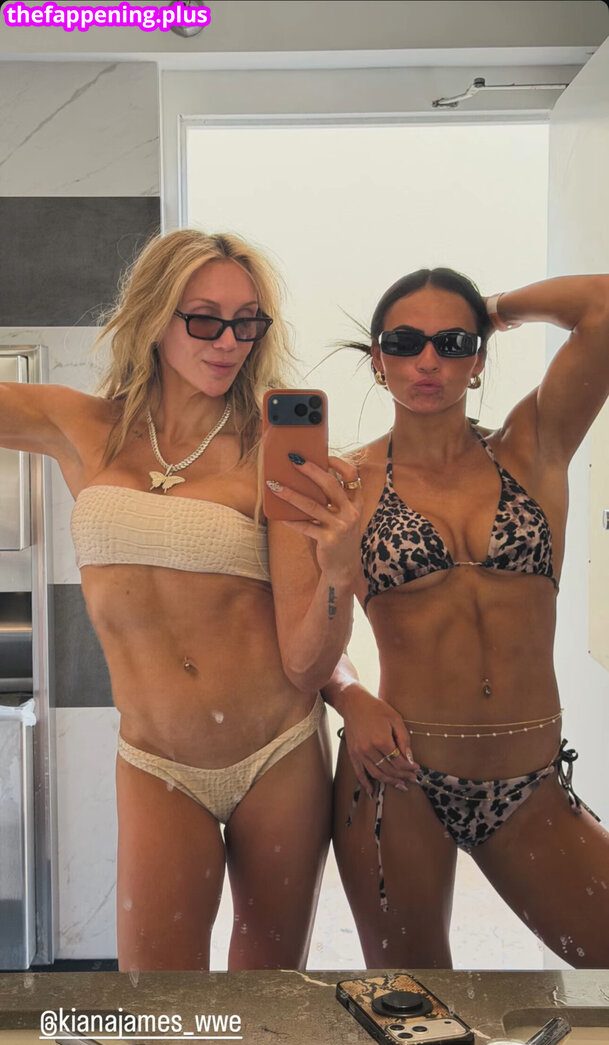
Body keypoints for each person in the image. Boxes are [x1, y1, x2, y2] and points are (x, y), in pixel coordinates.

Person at [0, 228, 362, 971]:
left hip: (277, 754)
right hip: (156, 761)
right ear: (154, 318)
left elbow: (304, 661)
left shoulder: (273, 454)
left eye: (246, 323)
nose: (228, 342)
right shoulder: (84, 427)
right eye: (203, 319)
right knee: (156, 1005)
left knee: (264, 1002)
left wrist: (338, 575)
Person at [322, 269, 609, 968]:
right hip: (398, 779)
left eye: (452, 343)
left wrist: (494, 309)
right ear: (378, 357)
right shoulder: (343, 483)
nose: (428, 361)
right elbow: (300, 624)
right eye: (405, 342)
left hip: (529, 779)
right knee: (416, 1008)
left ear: (478, 361)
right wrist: (350, 695)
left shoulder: (533, 447)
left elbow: (602, 306)